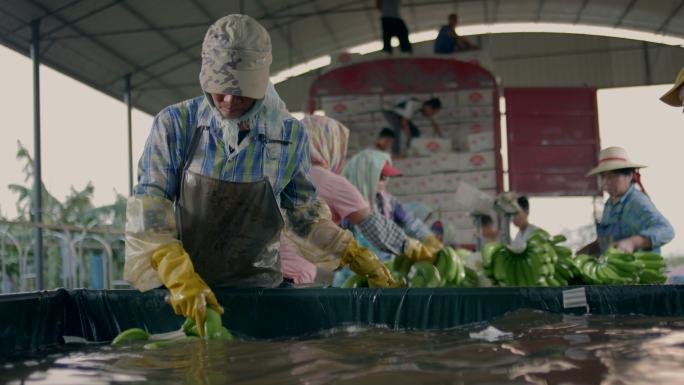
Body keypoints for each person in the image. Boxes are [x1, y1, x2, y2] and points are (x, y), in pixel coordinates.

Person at [123, 15, 400, 333]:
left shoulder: (288, 136)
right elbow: (151, 207)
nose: (227, 102)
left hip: (260, 290)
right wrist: (175, 272)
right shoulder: (175, 125)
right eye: (219, 90)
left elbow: (304, 218)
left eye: (240, 93)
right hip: (186, 293)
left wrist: (350, 252)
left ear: (260, 83)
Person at [280, 116, 440, 284]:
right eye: (381, 176)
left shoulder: (283, 176)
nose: (384, 182)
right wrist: (413, 249)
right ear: (330, 144)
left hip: (263, 273)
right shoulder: (331, 183)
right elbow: (374, 226)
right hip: (295, 277)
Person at [341, 149, 441, 256]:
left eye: (385, 177)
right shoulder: (347, 207)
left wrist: (427, 237)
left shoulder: (388, 202)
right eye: (381, 177)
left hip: (387, 264)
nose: (384, 182)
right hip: (357, 268)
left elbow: (409, 222)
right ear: (365, 177)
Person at [578, 147, 674, 256]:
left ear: (629, 176)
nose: (605, 183)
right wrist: (584, 252)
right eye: (603, 177)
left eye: (611, 177)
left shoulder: (636, 201)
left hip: (639, 270)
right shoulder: (610, 204)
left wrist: (632, 242)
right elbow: (608, 241)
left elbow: (667, 230)